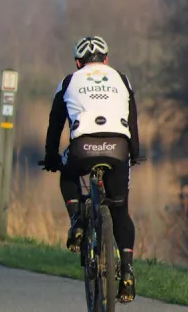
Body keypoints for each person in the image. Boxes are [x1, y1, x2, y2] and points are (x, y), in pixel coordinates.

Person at [41, 36, 140, 303]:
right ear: (106, 59)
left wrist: (51, 157)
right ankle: (128, 271)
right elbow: (132, 118)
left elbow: (55, 123)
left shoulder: (69, 81)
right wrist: (135, 153)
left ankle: (77, 223)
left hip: (82, 147)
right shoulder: (121, 78)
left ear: (77, 62)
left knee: (67, 169)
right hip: (119, 146)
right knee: (120, 209)